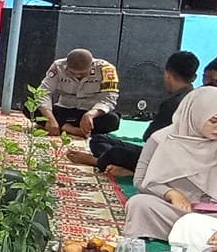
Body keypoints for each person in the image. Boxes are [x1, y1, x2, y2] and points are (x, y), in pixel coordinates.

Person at [67, 51, 197, 176]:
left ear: (167, 74)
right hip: (177, 158)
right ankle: (125, 167)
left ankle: (98, 162)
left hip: (164, 161)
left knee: (115, 152)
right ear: (194, 77)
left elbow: (149, 137)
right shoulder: (197, 98)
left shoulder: (172, 104)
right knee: (99, 139)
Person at [125, 86, 217, 241]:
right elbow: (140, 181)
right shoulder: (161, 139)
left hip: (212, 216)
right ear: (195, 115)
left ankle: (199, 236)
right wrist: (171, 194)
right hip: (176, 211)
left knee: (198, 225)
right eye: (213, 121)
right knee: (139, 204)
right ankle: (197, 237)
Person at [37, 48, 121, 138]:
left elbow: (109, 99)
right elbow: (43, 92)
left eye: (82, 74)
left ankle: (62, 126)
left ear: (92, 66)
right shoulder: (58, 66)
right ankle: (70, 129)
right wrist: (50, 118)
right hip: (65, 109)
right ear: (66, 66)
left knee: (113, 120)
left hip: (90, 111)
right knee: (31, 108)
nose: (78, 76)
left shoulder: (106, 69)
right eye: (73, 73)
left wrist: (91, 114)